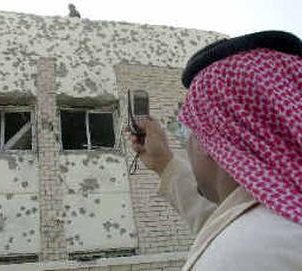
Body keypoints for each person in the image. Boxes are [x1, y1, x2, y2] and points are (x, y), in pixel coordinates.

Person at [128, 31, 302, 271]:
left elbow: (240, 237)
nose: (188, 145)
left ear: (213, 139)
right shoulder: (279, 223)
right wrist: (164, 163)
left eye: (191, 132)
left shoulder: (245, 254)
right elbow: (223, 222)